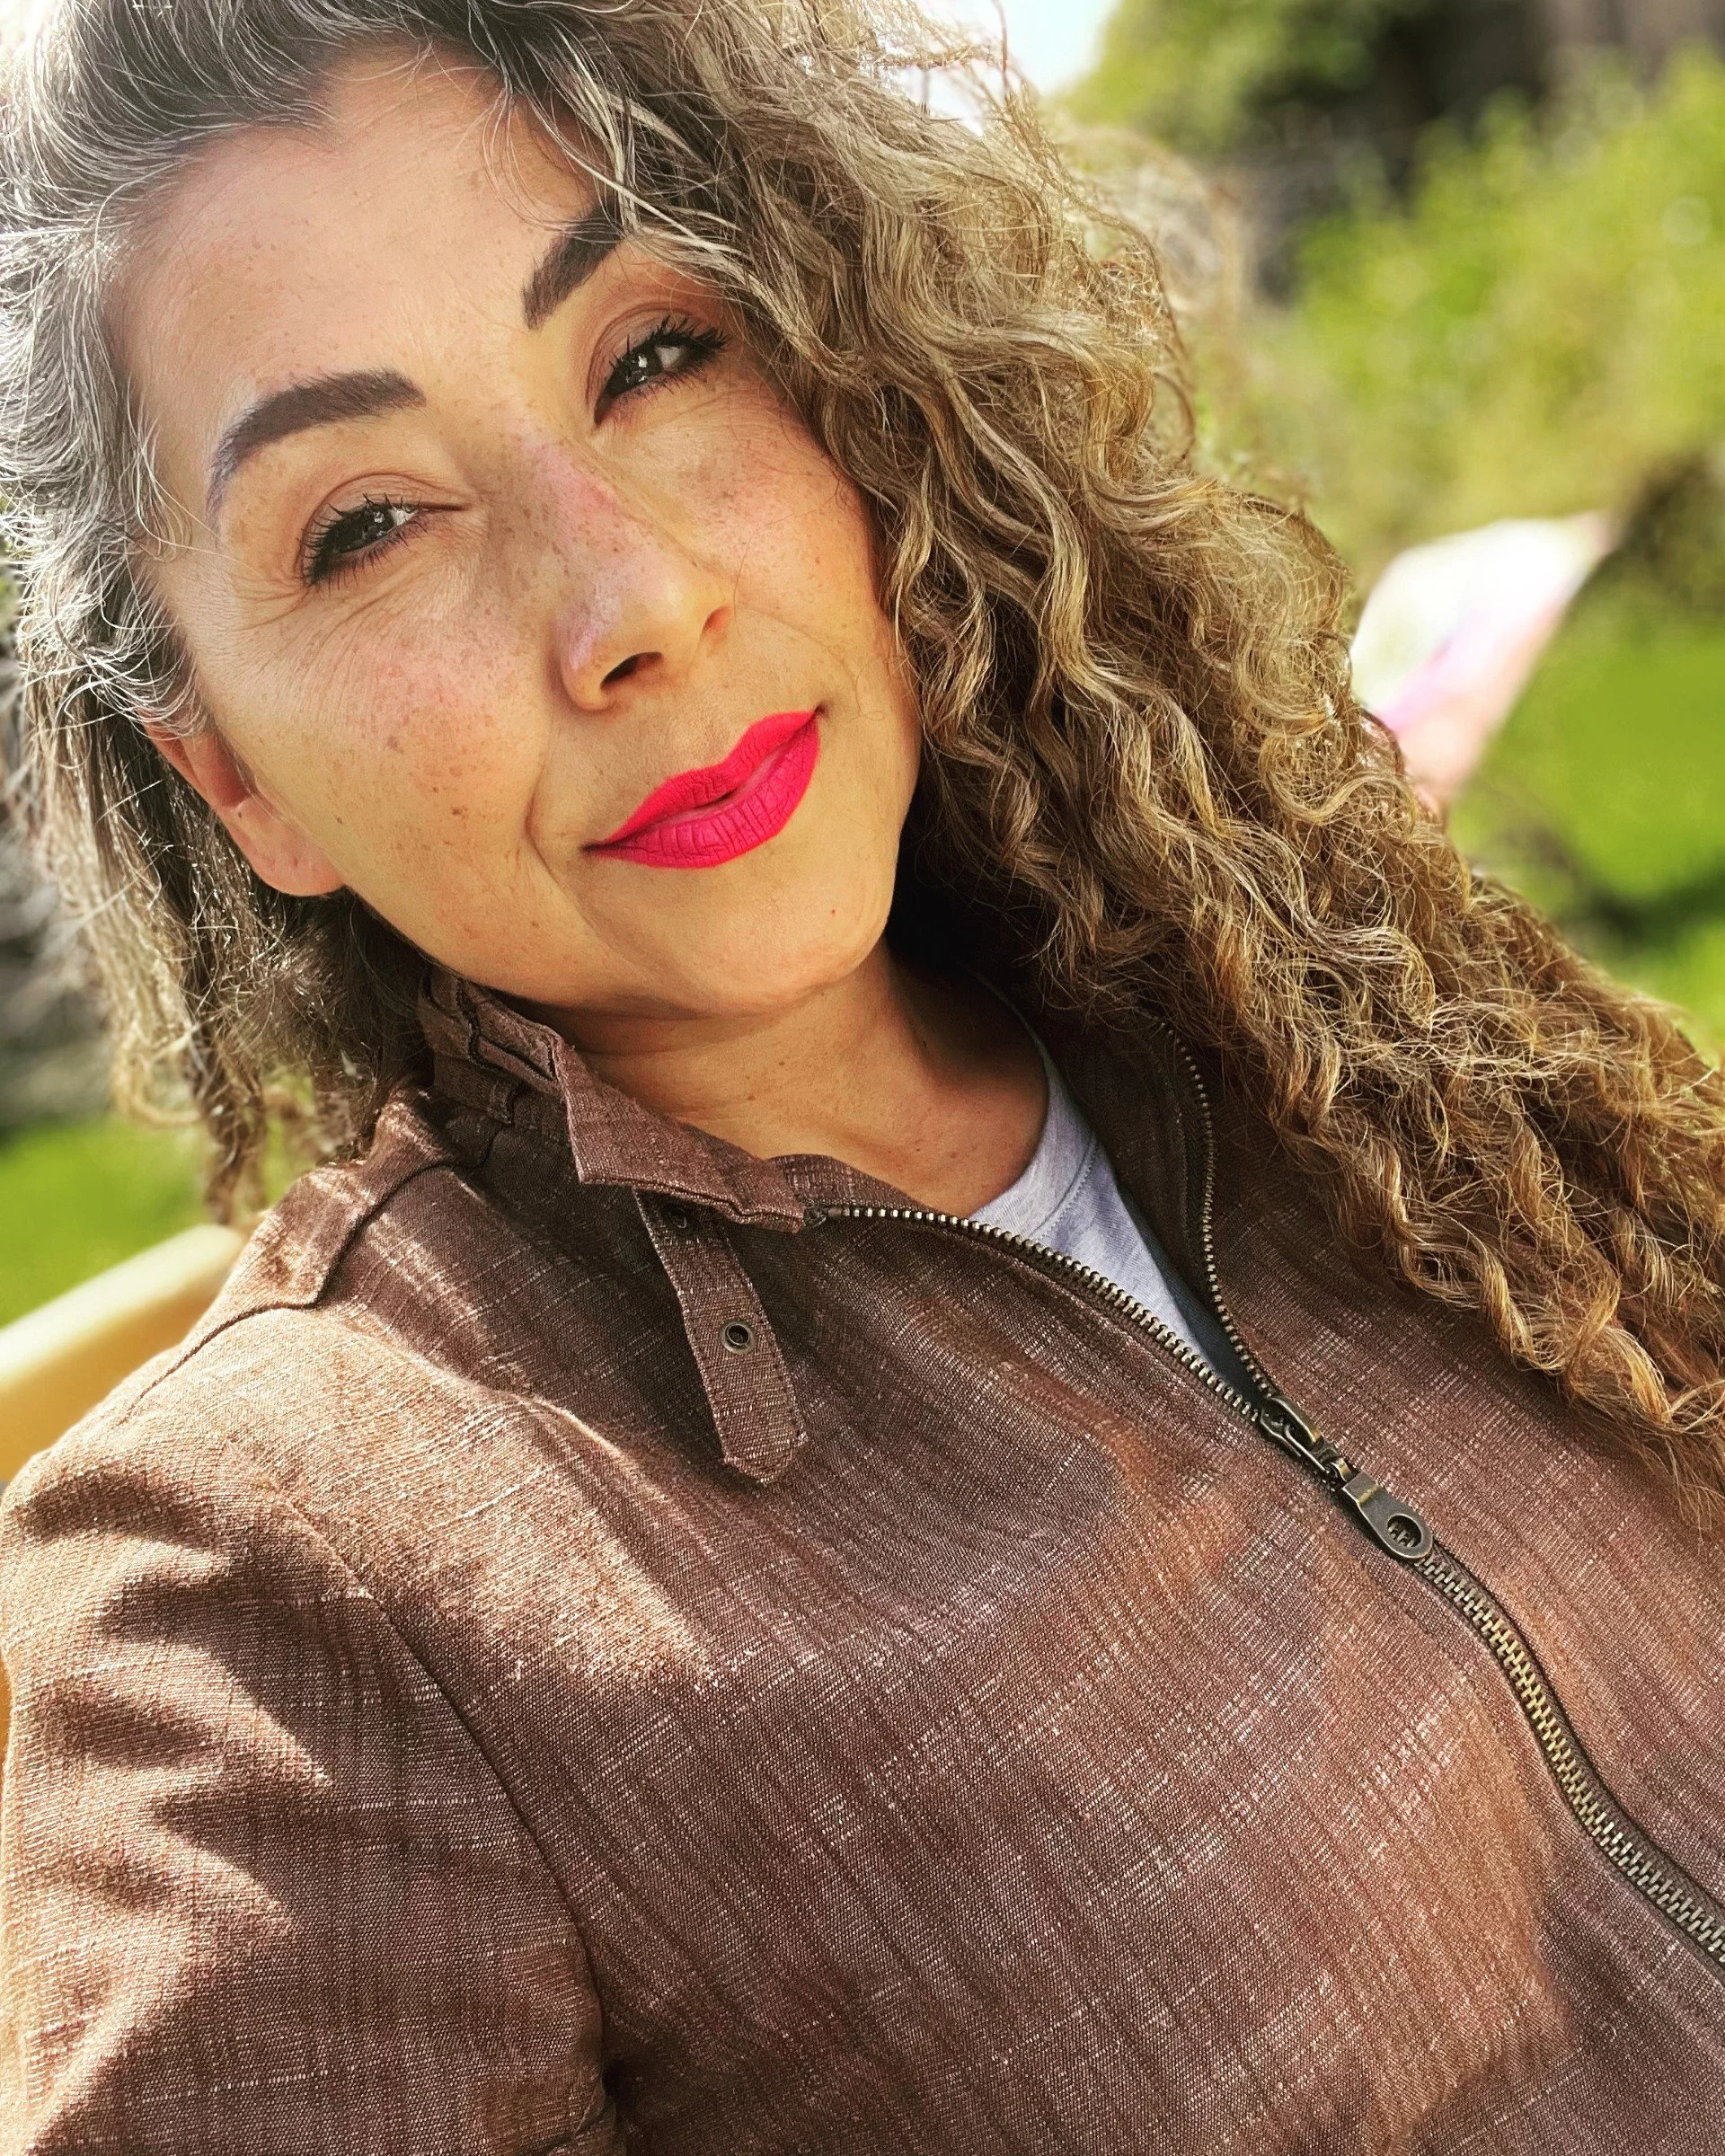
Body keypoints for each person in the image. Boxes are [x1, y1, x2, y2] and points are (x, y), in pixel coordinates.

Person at [0, 0, 1721, 2146]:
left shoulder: (1296, 989)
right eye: (367, 525)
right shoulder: (261, 1601)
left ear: (847, 373)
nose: (633, 598)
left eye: (652, 356)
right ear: (232, 772)